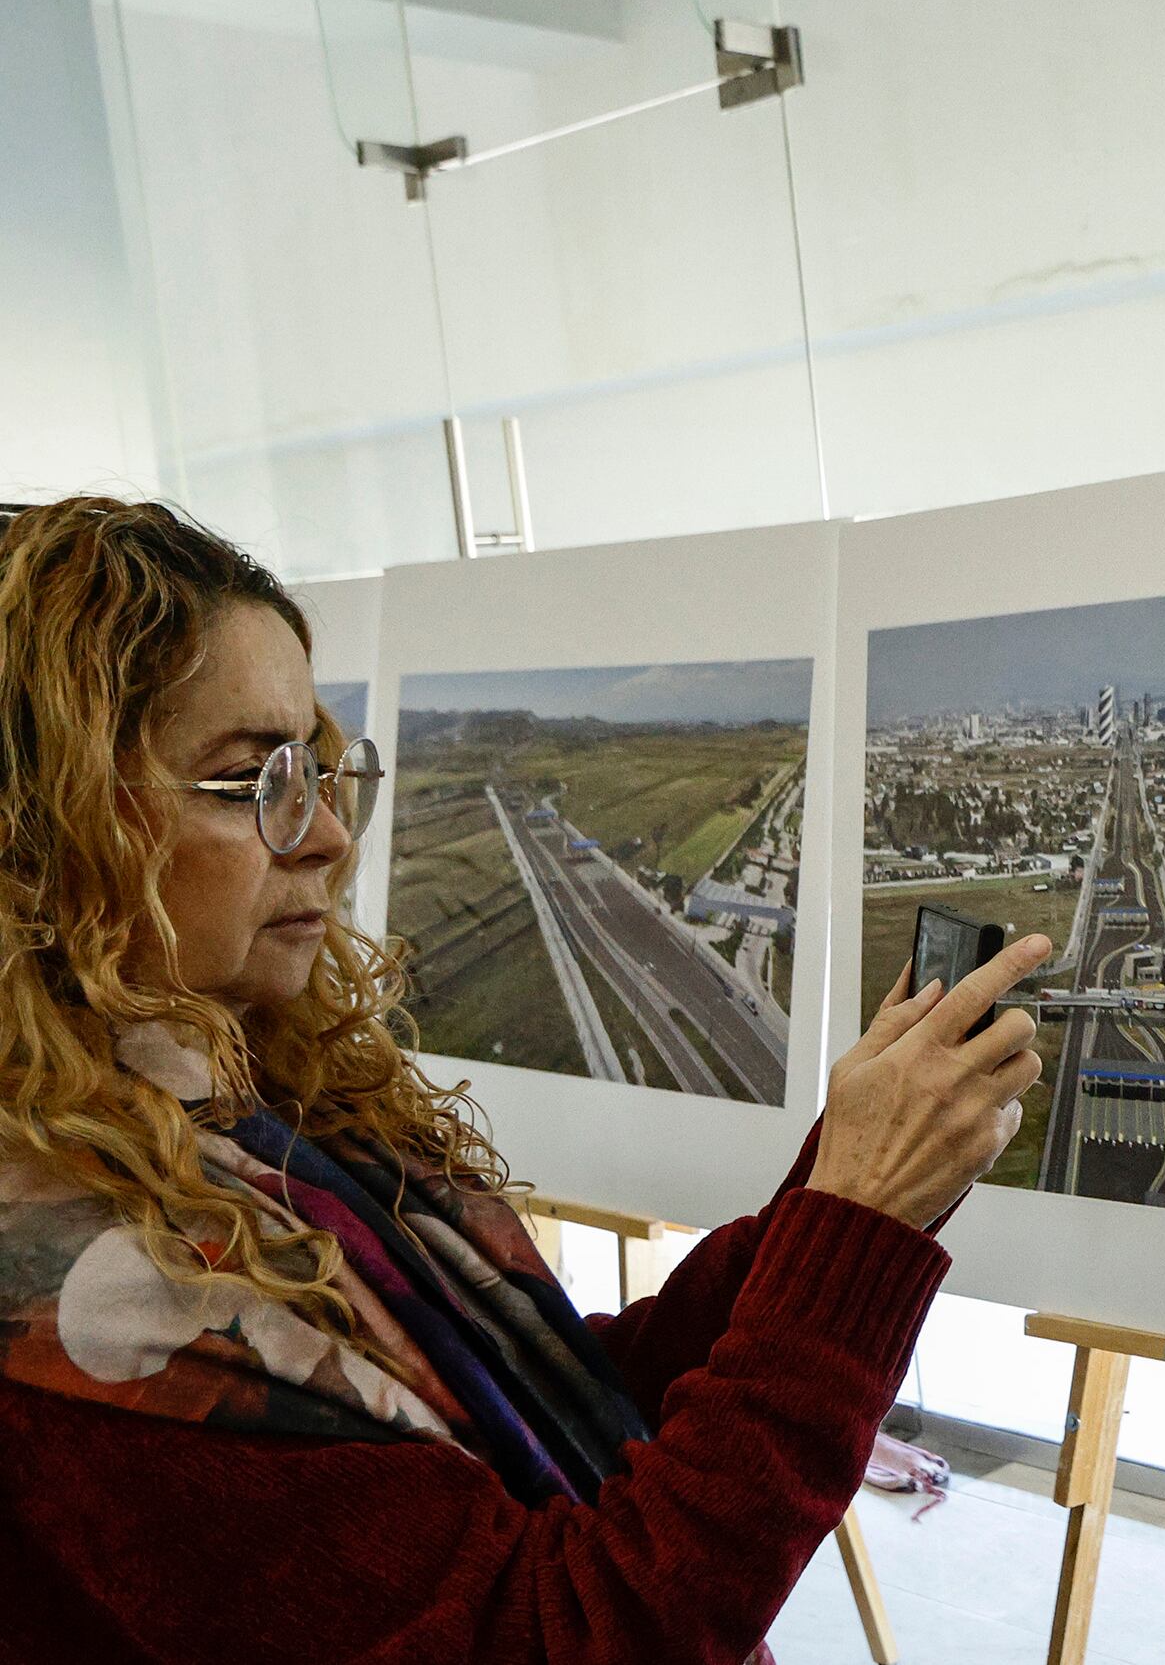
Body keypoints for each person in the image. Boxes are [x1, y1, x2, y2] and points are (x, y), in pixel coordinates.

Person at [0, 497, 1048, 1664]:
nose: (331, 836)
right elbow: (570, 1633)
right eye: (256, 778)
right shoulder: (85, 1321)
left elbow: (555, 1401)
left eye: (324, 769)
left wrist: (855, 1193)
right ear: (43, 828)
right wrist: (850, 1223)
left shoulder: (254, 1118)